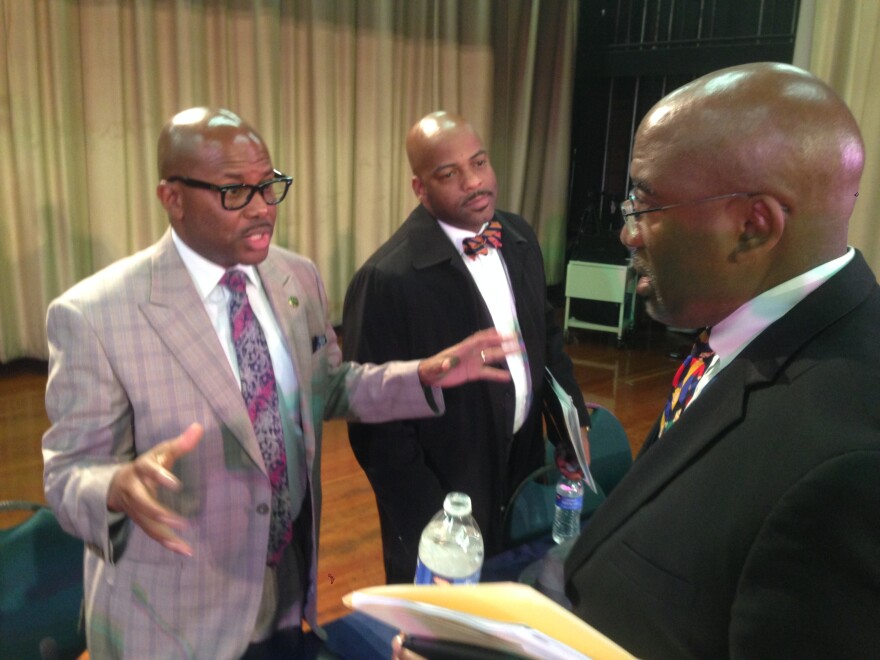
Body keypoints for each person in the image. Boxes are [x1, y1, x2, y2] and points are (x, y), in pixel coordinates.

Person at [41, 106, 517, 659]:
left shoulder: (297, 277)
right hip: (175, 618)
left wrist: (422, 374)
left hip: (289, 588)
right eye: (236, 192)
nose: (264, 208)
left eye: (269, 186)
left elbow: (329, 387)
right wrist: (113, 488)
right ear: (172, 198)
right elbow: (66, 475)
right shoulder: (96, 315)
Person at [561, 62, 880, 657]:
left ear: (753, 227)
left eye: (646, 203)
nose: (628, 232)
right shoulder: (745, 334)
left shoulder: (851, 463)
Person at [342, 110, 590, 584]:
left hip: (520, 472)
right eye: (449, 174)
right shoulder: (386, 280)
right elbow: (374, 429)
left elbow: (548, 342)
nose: (473, 182)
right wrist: (433, 525)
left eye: (479, 163)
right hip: (441, 492)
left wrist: (568, 427)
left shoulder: (518, 238)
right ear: (420, 188)